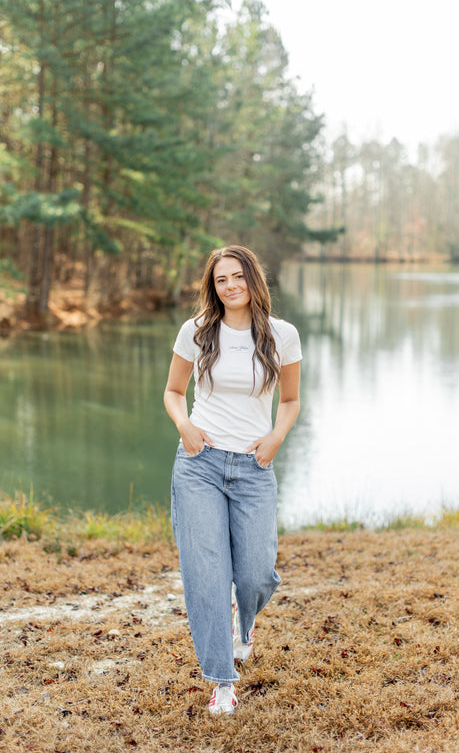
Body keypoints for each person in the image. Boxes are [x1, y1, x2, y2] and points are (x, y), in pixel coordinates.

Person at [163, 245, 302, 716]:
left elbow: (290, 401)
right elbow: (173, 391)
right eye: (221, 279)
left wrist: (275, 439)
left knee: (256, 573)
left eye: (237, 276)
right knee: (207, 576)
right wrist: (184, 426)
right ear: (213, 285)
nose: (230, 286)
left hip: (252, 468)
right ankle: (222, 682)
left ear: (252, 279)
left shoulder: (282, 335)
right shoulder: (197, 332)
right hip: (200, 463)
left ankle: (247, 622)